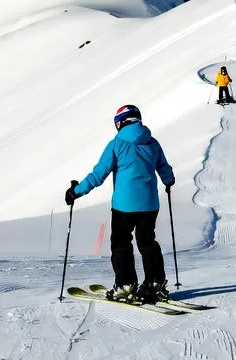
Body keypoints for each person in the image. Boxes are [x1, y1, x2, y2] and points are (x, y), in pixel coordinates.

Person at [65, 104, 175, 304]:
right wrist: (168, 181)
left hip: (124, 206)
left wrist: (76, 191)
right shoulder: (153, 143)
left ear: (119, 123)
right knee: (147, 242)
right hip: (150, 205)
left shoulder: (116, 144)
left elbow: (99, 175)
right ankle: (154, 283)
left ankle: (125, 285)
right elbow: (165, 169)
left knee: (121, 243)